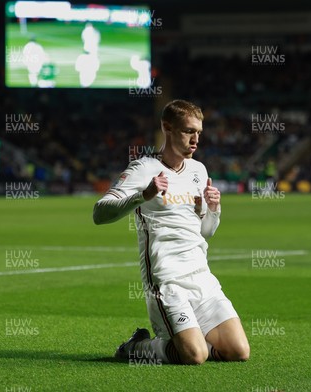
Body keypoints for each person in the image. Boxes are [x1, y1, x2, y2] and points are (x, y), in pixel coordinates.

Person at [93, 99, 250, 364]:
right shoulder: (143, 169)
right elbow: (100, 213)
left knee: (238, 352)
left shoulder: (198, 170)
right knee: (195, 356)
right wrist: (143, 195)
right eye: (189, 131)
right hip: (167, 281)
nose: (195, 139)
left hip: (202, 278)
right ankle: (135, 346)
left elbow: (206, 232)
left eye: (199, 132)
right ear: (167, 128)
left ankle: (189, 341)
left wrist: (213, 210)